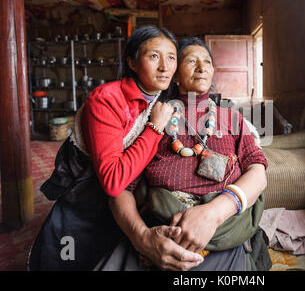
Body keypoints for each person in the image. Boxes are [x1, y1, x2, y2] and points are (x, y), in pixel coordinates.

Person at [28, 26, 204, 270]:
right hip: (86, 190)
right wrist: (154, 127)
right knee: (68, 256)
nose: (164, 66)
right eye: (154, 56)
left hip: (124, 199)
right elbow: (112, 181)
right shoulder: (107, 99)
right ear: (132, 62)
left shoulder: (163, 99)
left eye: (171, 57)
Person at [98, 37, 271, 271]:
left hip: (223, 231)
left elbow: (258, 173)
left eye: (207, 62)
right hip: (161, 234)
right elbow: (121, 190)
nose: (201, 67)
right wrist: (143, 239)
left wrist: (214, 213)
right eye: (191, 61)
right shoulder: (156, 119)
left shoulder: (233, 119)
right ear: (175, 75)